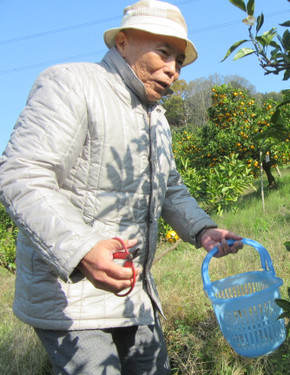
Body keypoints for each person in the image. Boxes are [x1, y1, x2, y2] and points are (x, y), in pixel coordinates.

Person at [0, 1, 243, 374]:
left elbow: (170, 187)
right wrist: (81, 249)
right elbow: (22, 173)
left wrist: (202, 229)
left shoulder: (155, 117)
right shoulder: (71, 84)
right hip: (70, 295)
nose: (173, 69)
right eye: (163, 53)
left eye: (179, 60)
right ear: (123, 42)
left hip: (133, 293)